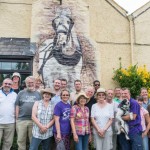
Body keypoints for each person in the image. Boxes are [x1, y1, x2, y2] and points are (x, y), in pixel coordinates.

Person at [15, 76, 41, 150]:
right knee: (20, 140)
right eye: (28, 83)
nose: (30, 84)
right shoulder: (21, 93)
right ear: (26, 84)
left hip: (34, 121)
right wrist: (17, 118)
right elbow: (17, 105)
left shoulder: (39, 94)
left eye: (32, 82)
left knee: (32, 140)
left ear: (35, 83)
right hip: (21, 120)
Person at [0, 78, 17, 150]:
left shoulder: (15, 95)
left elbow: (17, 108)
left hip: (10, 123)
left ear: (12, 85)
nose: (7, 85)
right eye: (5, 83)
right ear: (2, 84)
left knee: (8, 143)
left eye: (9, 84)